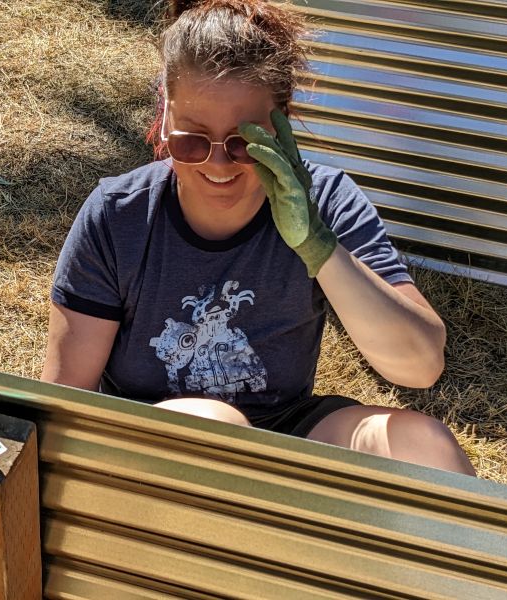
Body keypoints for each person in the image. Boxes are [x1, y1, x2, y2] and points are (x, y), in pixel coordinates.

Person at [41, 0, 476, 476]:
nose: (217, 164)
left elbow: (420, 366)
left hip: (283, 430)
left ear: (282, 124)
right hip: (152, 446)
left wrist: (320, 248)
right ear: (165, 119)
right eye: (192, 140)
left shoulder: (325, 201)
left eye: (244, 143)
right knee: (214, 424)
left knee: (423, 445)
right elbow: (64, 403)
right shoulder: (119, 214)